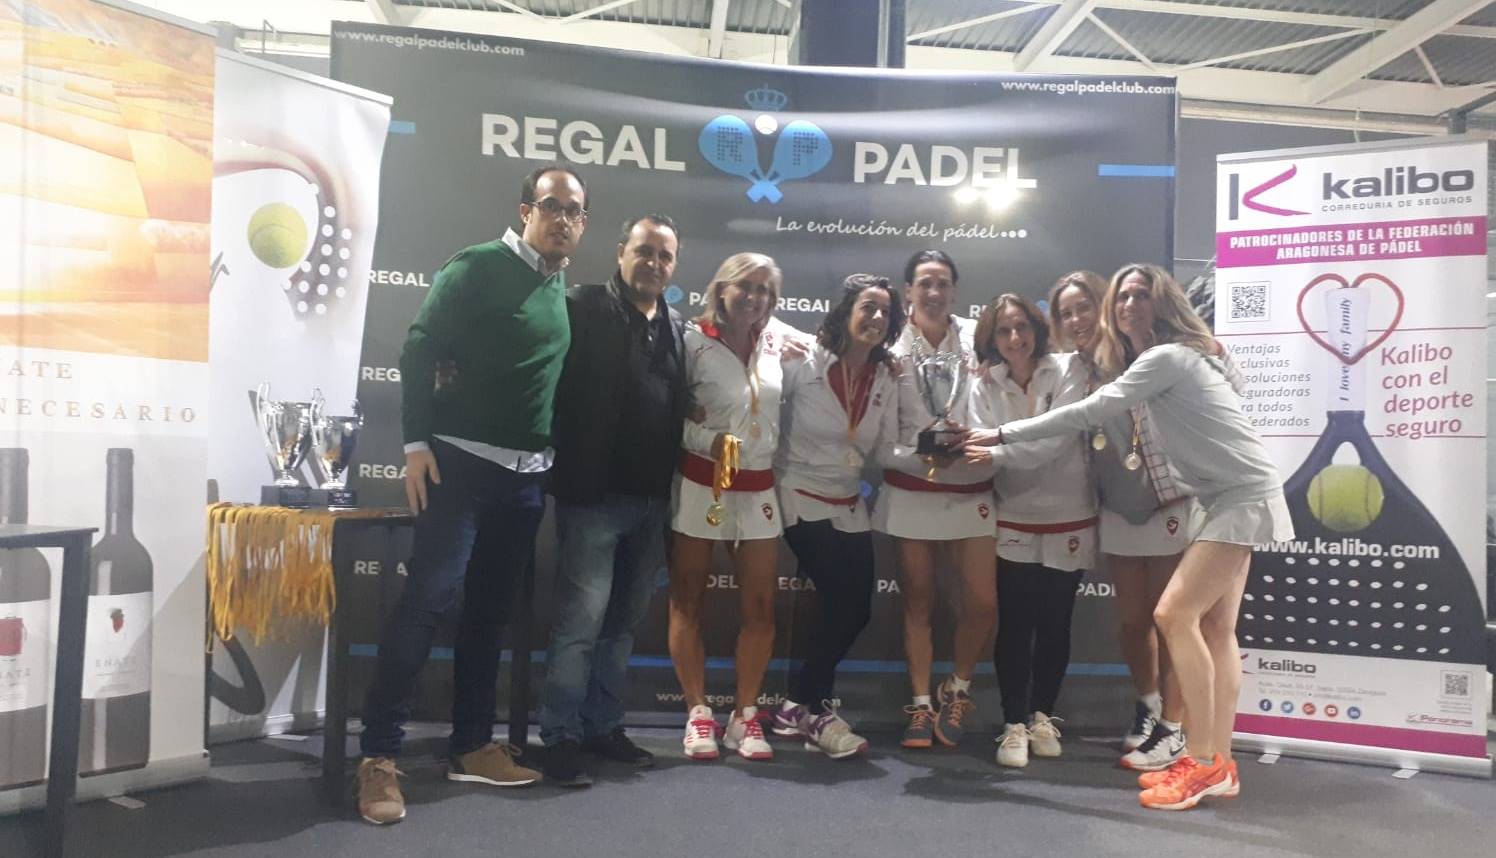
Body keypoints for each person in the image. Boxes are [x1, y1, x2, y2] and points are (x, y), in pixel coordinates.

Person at [970, 263, 1291, 810]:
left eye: (1140, 295)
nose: (1128, 305)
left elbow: (1091, 409)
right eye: (1121, 297)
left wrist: (1000, 433)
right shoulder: (1169, 357)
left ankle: (1201, 761)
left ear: (1162, 302)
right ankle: (1220, 764)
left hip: (1239, 497)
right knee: (1217, 630)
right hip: (1229, 497)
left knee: (1174, 616)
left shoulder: (1167, 357)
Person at [356, 164, 588, 825]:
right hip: (457, 467)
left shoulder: (555, 282)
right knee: (427, 602)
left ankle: (471, 745)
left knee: (488, 615)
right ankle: (378, 756)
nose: (563, 219)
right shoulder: (477, 266)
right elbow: (419, 350)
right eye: (551, 206)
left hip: (525, 479)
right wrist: (415, 445)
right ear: (525, 211)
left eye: (574, 211)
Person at [539, 214, 689, 786]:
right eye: (645, 251)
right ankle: (559, 737)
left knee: (620, 629)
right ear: (621, 251)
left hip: (652, 504)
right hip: (592, 498)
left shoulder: (676, 327)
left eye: (665, 256)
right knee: (579, 626)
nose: (654, 263)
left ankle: (602, 727)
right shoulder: (580, 307)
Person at [1049, 271, 1190, 772]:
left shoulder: (1142, 354)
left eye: (1084, 307)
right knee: (1132, 621)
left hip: (1167, 499)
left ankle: (1175, 723)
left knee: (1169, 619)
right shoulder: (1069, 369)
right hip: (1115, 503)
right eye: (1066, 313)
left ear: (1103, 306)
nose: (1077, 320)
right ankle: (1149, 706)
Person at [768, 274, 904, 759]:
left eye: (885, 312)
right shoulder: (803, 358)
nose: (876, 317)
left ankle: (797, 707)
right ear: (846, 311)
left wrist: (937, 456)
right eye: (868, 307)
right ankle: (815, 709)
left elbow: (885, 450)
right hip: (798, 493)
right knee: (841, 601)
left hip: (849, 502)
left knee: (856, 609)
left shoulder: (887, 376)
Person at [872, 250, 996, 749]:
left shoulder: (980, 338)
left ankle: (958, 689)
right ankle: (921, 704)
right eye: (924, 282)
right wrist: (919, 455)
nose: (934, 292)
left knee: (983, 603)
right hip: (913, 488)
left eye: (943, 282)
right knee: (918, 601)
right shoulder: (889, 348)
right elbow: (880, 443)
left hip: (971, 487)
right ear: (908, 291)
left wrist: (976, 445)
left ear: (955, 290)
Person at [964, 293, 1094, 768]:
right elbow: (976, 444)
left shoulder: (1069, 369)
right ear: (991, 338)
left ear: (1038, 328)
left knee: (1056, 623)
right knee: (1016, 624)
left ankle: (1043, 717)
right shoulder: (984, 382)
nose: (1015, 338)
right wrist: (994, 454)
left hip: (1071, 513)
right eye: (1004, 330)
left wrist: (998, 452)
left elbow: (1058, 439)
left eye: (1022, 327)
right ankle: (1014, 722)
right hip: (1013, 515)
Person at [668, 252, 787, 761]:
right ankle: (698, 712)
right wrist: (708, 440)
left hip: (758, 488)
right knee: (688, 600)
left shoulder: (778, 338)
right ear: (721, 289)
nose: (754, 297)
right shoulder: (690, 341)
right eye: (745, 286)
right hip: (702, 483)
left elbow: (837, 349)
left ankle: (744, 716)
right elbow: (665, 412)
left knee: (760, 607)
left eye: (765, 290)